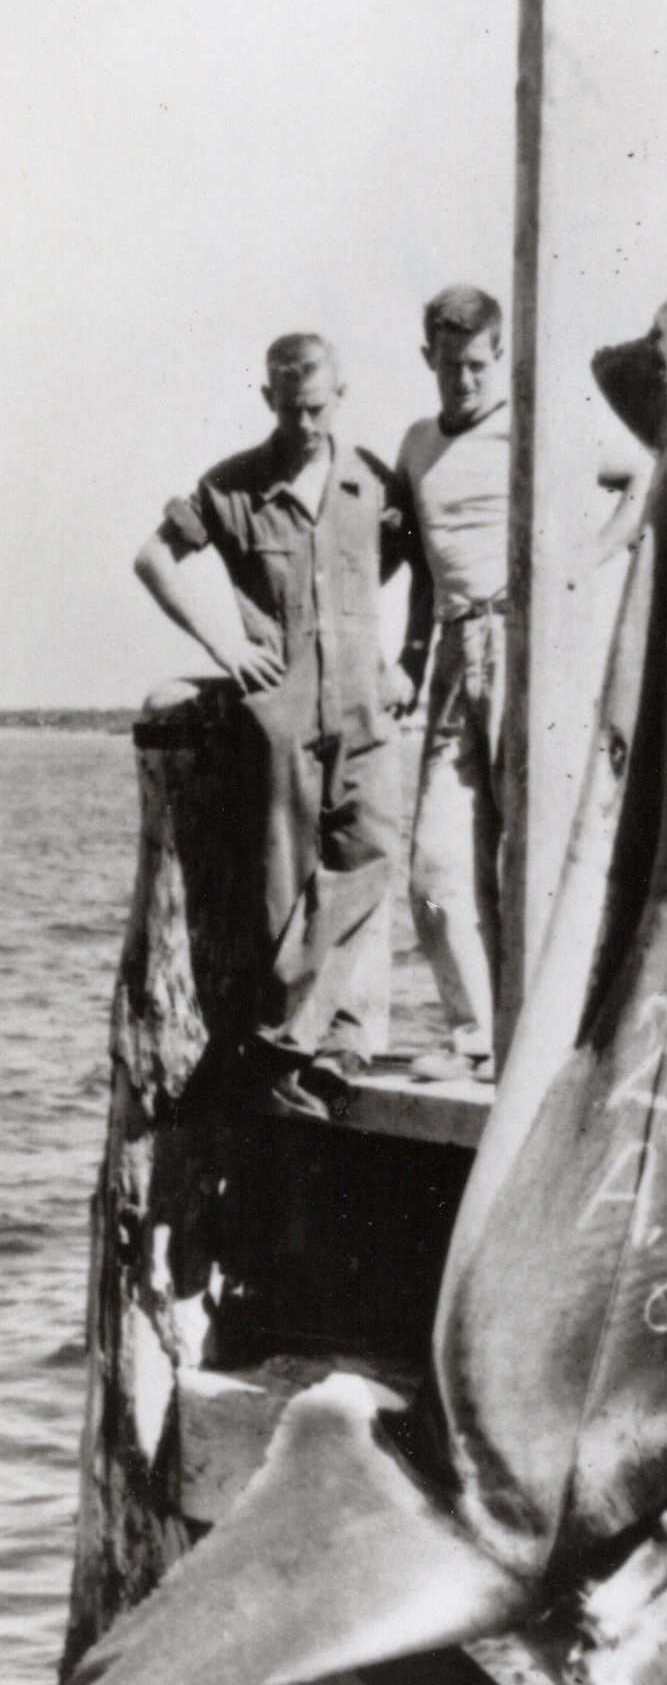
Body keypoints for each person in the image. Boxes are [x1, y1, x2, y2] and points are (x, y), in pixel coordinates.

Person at [135, 333, 409, 1109]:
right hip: (281, 711)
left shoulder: (372, 482)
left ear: (341, 394)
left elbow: (410, 561)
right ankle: (316, 1053)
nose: (306, 426)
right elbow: (152, 560)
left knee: (372, 852)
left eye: (318, 409)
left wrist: (405, 654)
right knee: (286, 887)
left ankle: (291, 1041)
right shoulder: (231, 488)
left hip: (362, 703)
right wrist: (223, 642)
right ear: (267, 400)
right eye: (290, 411)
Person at [389, 285, 511, 1081]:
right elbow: (423, 576)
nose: (461, 381)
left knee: (529, 852)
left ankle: (538, 1038)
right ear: (428, 359)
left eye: (475, 365)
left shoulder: (528, 428)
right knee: (435, 866)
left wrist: (593, 560)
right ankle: (478, 1033)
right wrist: (408, 657)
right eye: (448, 365)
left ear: (497, 356)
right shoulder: (416, 445)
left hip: (526, 646)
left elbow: (640, 478)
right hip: (451, 657)